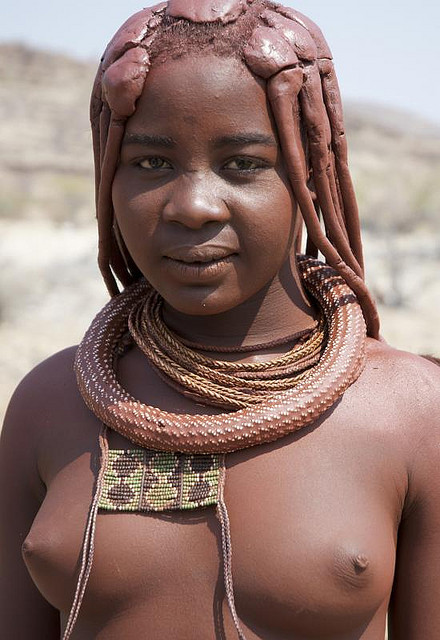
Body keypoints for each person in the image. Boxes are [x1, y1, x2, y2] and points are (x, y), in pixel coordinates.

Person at [1, 1, 439, 638]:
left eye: (244, 164)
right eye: (150, 163)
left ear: (311, 178)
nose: (193, 206)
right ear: (107, 179)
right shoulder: (50, 402)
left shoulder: (414, 412)